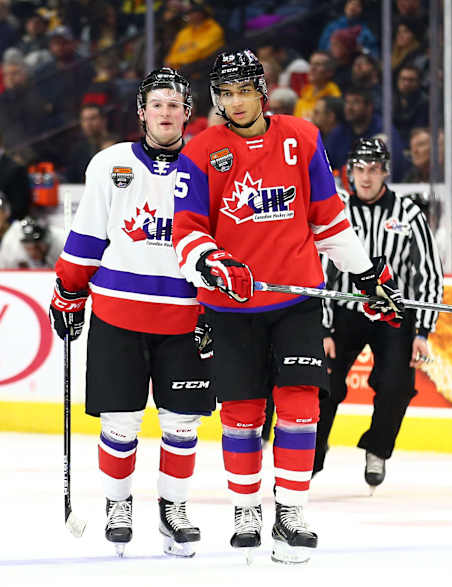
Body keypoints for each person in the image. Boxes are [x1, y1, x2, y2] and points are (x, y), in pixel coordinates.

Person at [172, 49, 404, 564]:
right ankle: (246, 510)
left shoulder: (303, 137)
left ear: (262, 88)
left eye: (243, 90)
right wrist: (210, 262)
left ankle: (292, 511)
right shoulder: (201, 151)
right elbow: (186, 231)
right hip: (231, 308)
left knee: (302, 407)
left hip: (297, 299)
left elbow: (328, 218)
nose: (235, 102)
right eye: (225, 93)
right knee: (241, 413)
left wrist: (366, 273)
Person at [48, 68, 215, 557]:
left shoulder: (208, 164)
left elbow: (223, 244)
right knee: (120, 423)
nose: (166, 112)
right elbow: (88, 234)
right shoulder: (110, 163)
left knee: (182, 424)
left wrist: (214, 309)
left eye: (175, 104)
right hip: (119, 315)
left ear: (189, 113)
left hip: (187, 317)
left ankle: (173, 509)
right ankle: (118, 505)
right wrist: (68, 291)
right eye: (157, 104)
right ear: (141, 112)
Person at [313, 138, 443, 490]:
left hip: (392, 315)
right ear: (350, 172)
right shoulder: (337, 211)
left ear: (386, 171)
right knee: (324, 385)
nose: (366, 178)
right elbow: (320, 270)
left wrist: (422, 332)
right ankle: (312, 455)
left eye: (373, 170)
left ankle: (377, 449)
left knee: (397, 385)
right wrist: (323, 328)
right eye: (359, 170)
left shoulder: (409, 213)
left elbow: (428, 272)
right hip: (344, 312)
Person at [293, 51, 340, 120]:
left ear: (329, 72)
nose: (312, 68)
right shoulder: (305, 93)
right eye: (311, 64)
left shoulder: (334, 96)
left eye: (318, 65)